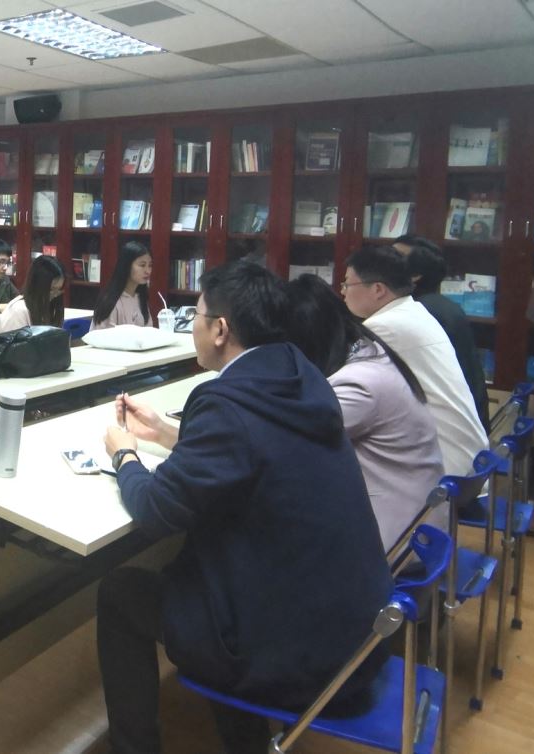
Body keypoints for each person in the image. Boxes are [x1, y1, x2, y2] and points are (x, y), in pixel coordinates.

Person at [99, 262, 390, 754]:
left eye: (196, 316)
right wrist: (169, 433)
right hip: (358, 635)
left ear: (220, 330)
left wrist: (123, 453)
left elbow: (155, 510)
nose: (192, 327)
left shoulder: (225, 402)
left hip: (297, 656)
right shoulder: (300, 374)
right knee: (205, 566)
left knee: (120, 592)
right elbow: (256, 450)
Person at [285, 274, 445, 548]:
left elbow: (289, 441)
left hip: (398, 536)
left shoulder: (357, 384)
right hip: (416, 515)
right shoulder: (372, 353)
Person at [341, 244, 486, 480]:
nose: (343, 292)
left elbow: (342, 380)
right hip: (469, 458)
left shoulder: (384, 326)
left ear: (377, 289)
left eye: (347, 284)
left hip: (446, 467)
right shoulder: (414, 311)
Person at [396, 235, 490, 429]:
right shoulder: (438, 305)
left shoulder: (419, 313)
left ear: (415, 275)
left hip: (447, 428)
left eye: (394, 256)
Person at [93, 241, 152, 330]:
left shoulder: (140, 298)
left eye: (150, 265)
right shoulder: (110, 301)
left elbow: (148, 331)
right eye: (142, 265)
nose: (148, 271)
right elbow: (102, 336)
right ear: (127, 266)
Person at [0, 255, 64, 332]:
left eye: (59, 289)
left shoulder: (48, 305)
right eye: (52, 289)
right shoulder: (18, 311)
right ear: (36, 285)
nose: (55, 295)